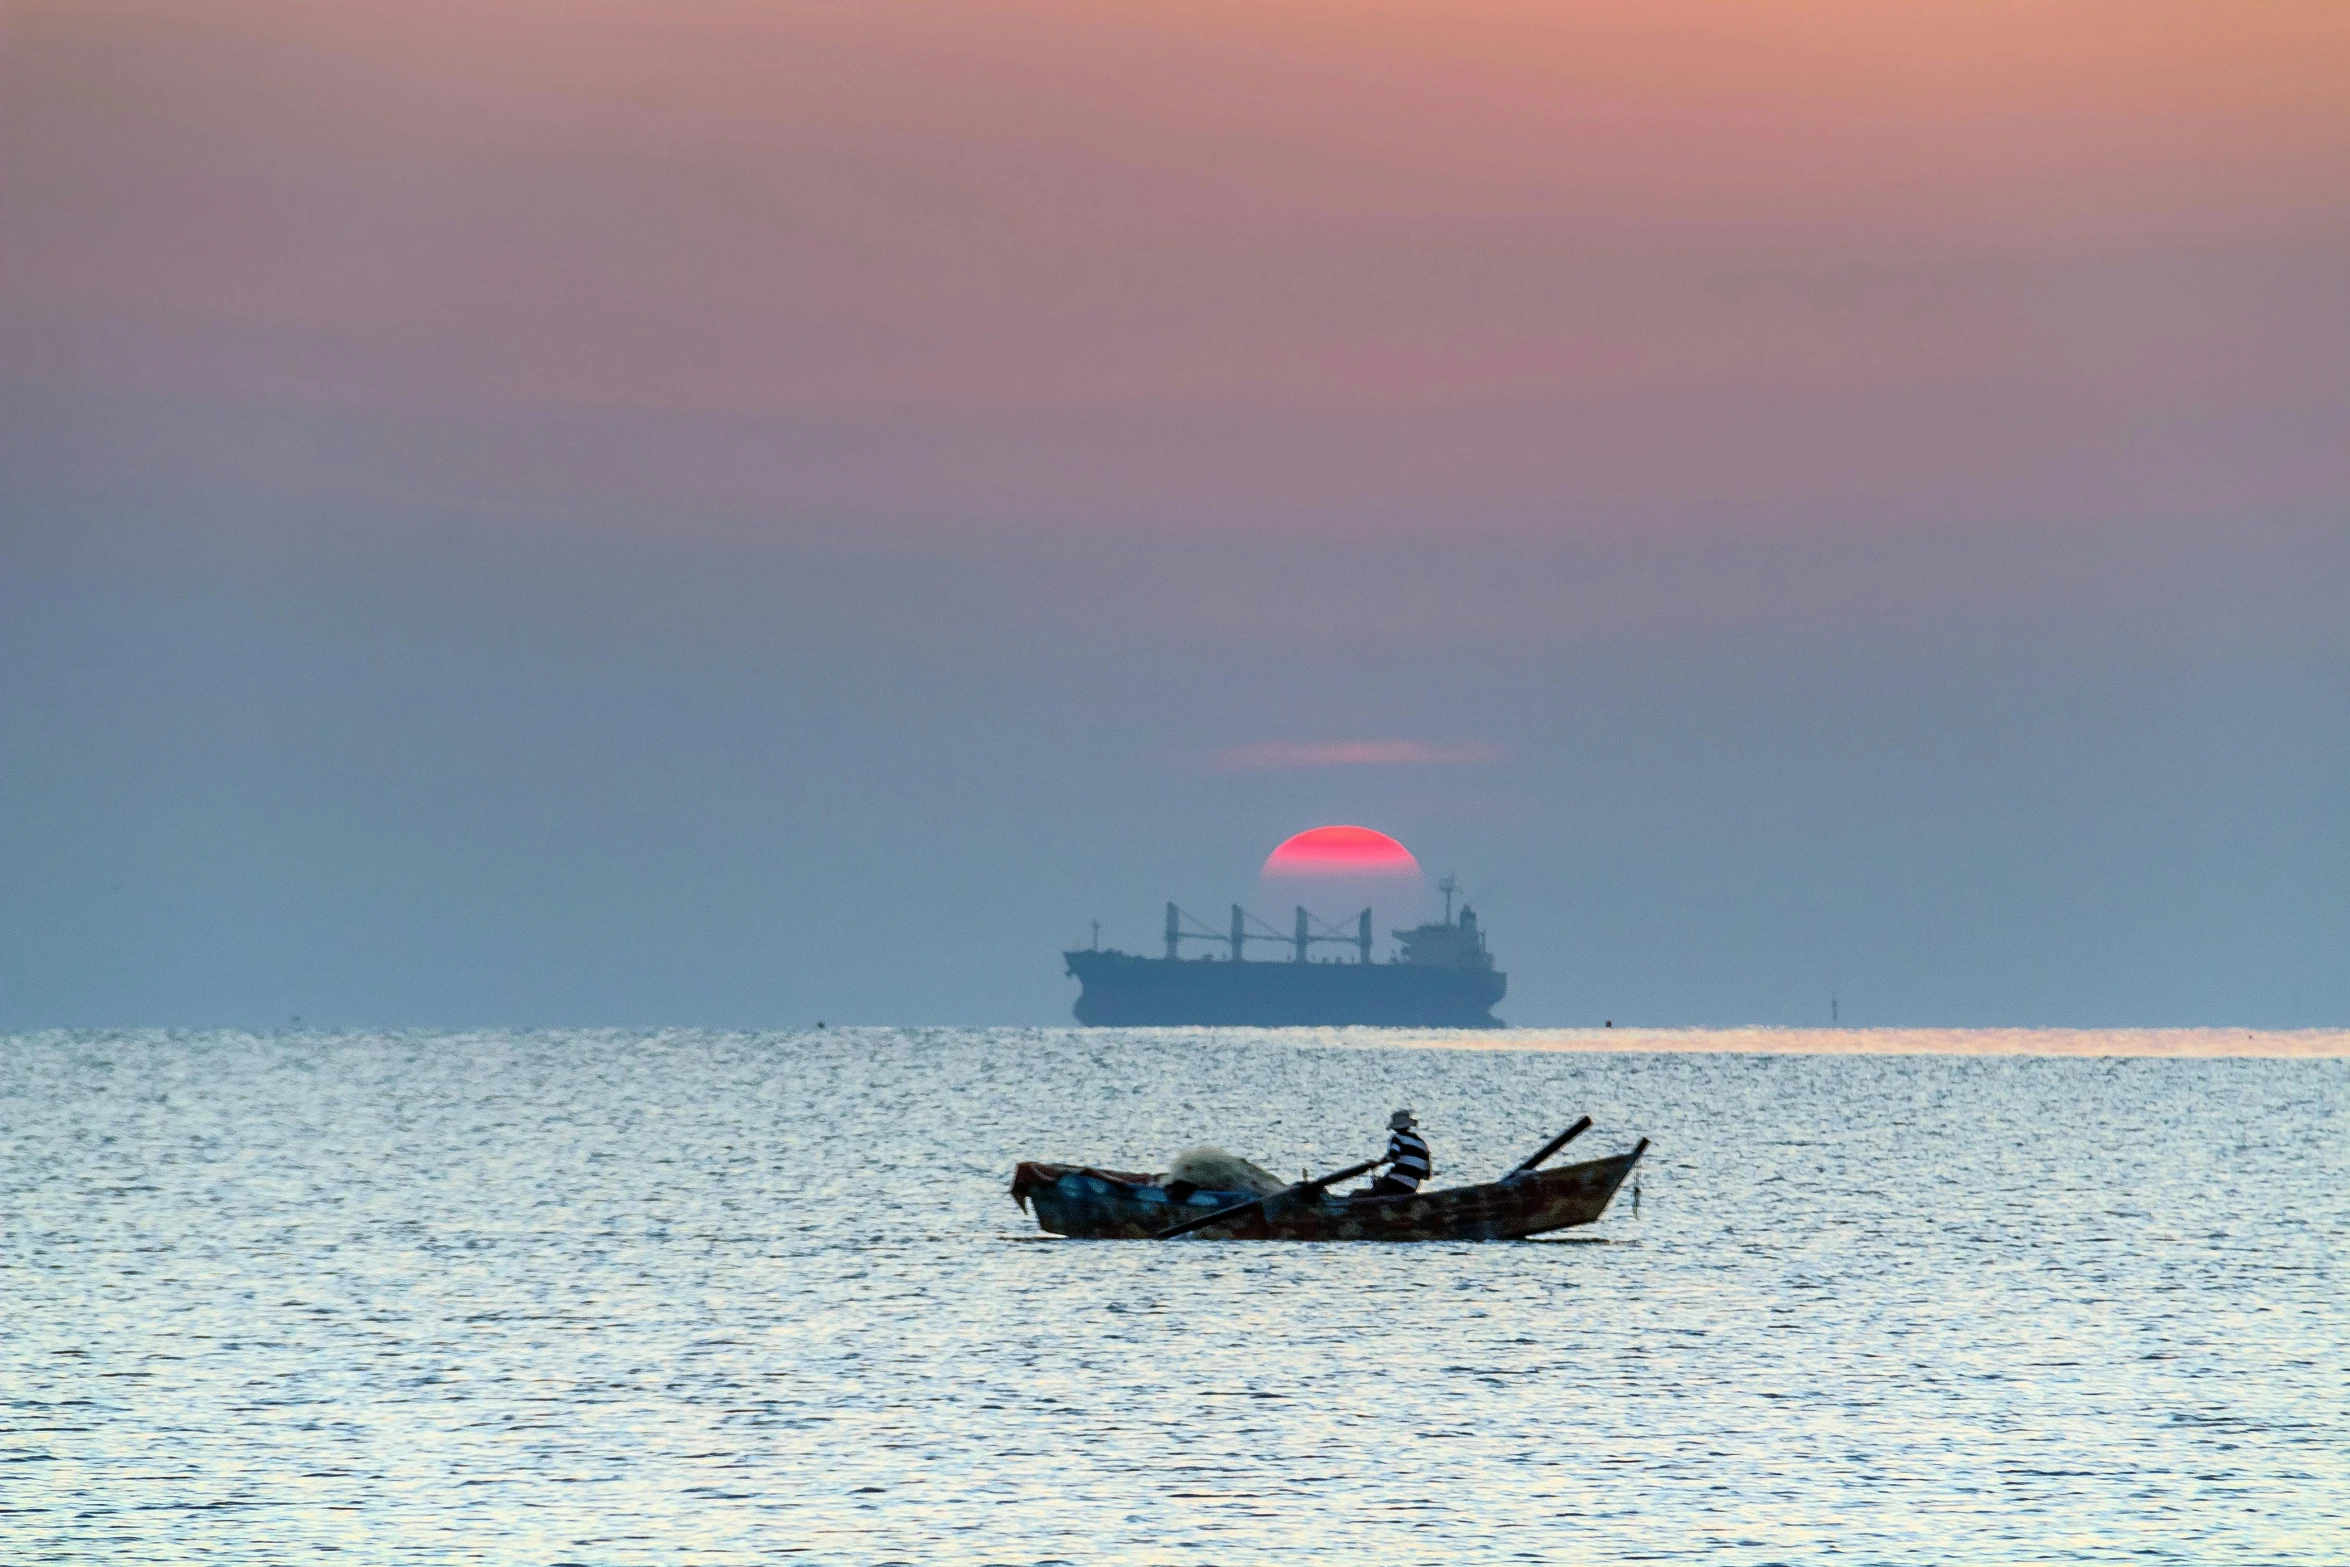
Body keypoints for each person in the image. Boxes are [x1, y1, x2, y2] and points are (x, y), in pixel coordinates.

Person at [1364, 1108, 1432, 1198]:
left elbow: (1392, 1156)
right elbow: (1426, 1175)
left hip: (1396, 1183)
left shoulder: (1398, 1137)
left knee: (1363, 1194)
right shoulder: (1421, 1143)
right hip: (1412, 1187)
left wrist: (1376, 1164)